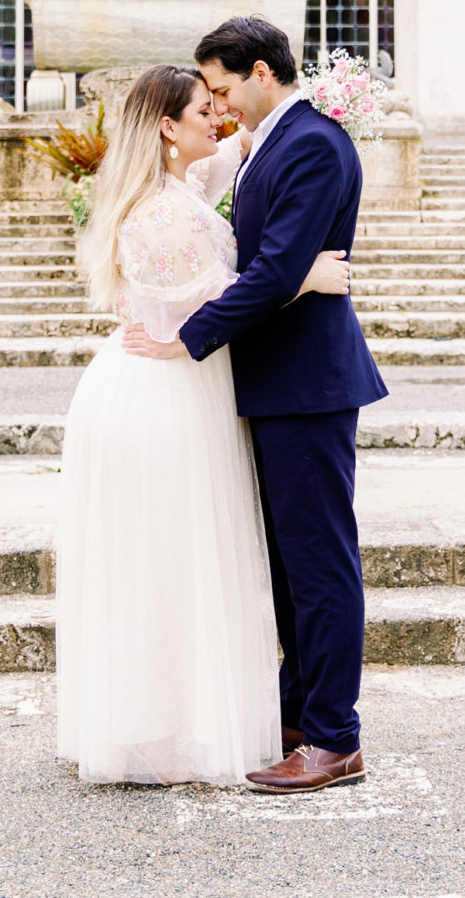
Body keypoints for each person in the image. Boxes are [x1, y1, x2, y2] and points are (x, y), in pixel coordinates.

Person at [54, 62, 353, 787]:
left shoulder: (178, 187)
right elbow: (232, 296)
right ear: (165, 126)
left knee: (173, 560)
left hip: (170, 385)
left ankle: (180, 719)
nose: (215, 116)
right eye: (200, 108)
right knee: (164, 566)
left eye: (219, 100)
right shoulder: (161, 212)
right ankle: (154, 732)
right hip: (159, 394)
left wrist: (303, 106)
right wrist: (306, 276)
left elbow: (233, 151)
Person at [120, 17, 387, 795]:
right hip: (277, 383)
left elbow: (275, 270)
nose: (223, 104)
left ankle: (336, 736)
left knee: (318, 562)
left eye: (228, 87)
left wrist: (185, 339)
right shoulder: (272, 140)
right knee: (288, 566)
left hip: (307, 384)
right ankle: (299, 713)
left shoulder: (309, 142)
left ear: (264, 71)